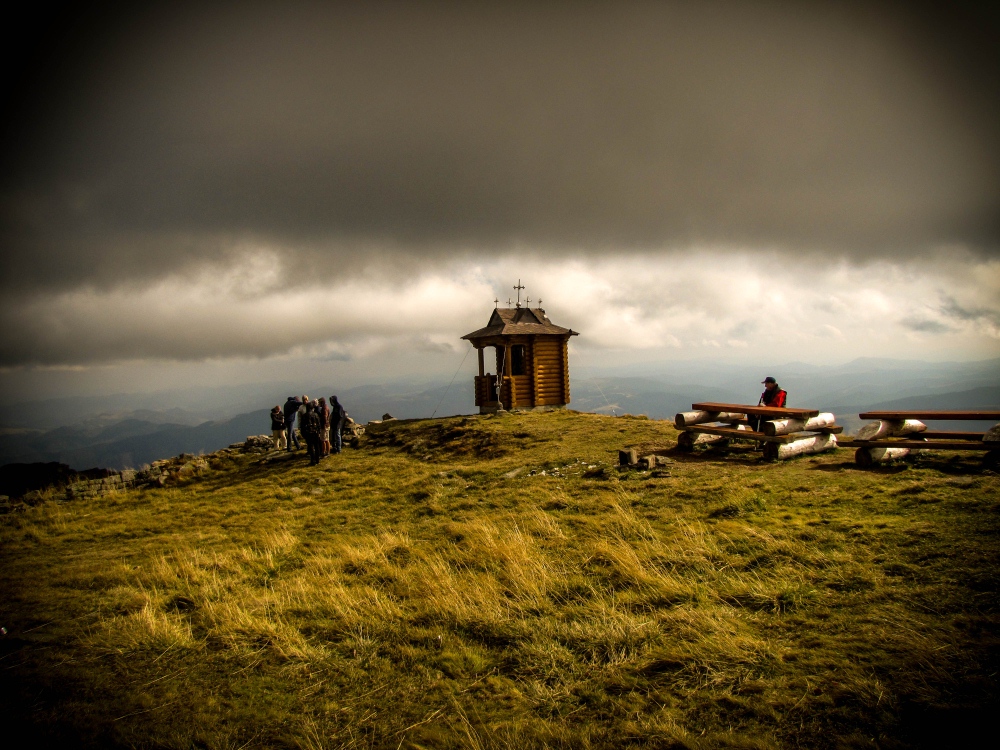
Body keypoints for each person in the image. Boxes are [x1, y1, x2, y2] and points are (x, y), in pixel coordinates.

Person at [301, 401, 322, 465]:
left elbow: (302, 426)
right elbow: (319, 424)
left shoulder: (305, 416)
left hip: (308, 433)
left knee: (310, 446)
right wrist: (319, 431)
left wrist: (303, 434)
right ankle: (317, 460)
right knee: (316, 446)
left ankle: (313, 461)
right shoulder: (315, 414)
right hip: (315, 433)